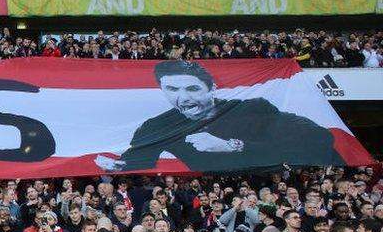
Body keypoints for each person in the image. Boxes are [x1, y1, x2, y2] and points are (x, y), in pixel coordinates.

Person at [95, 60, 346, 172]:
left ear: (212, 88)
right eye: (172, 90)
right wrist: (119, 166)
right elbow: (137, 161)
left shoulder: (254, 109)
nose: (183, 98)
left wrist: (231, 146)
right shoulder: (157, 126)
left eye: (192, 89)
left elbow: (318, 139)